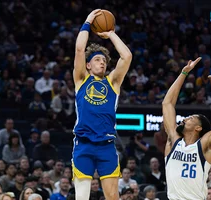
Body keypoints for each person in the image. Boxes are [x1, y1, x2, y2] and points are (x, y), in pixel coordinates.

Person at [72, 9, 132, 200]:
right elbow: (80, 49)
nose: (102, 63)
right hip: (83, 143)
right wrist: (88, 22)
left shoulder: (112, 83)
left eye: (105, 60)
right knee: (82, 197)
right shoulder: (81, 79)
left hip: (106, 145)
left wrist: (112, 34)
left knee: (113, 197)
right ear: (88, 65)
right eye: (97, 60)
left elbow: (127, 57)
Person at [162, 60, 211, 200]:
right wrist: (183, 73)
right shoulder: (173, 140)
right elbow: (167, 103)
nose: (185, 119)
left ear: (198, 127)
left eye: (190, 118)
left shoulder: (204, 145)